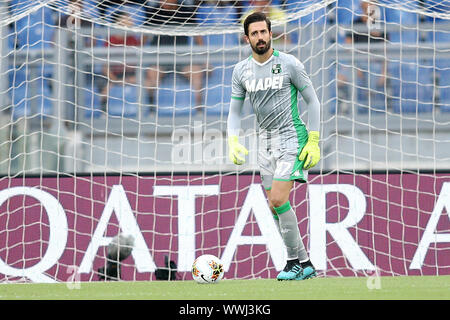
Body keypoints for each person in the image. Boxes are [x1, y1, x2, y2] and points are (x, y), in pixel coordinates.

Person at [227, 12, 320, 280]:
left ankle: (292, 263)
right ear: (247, 38)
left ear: (271, 33)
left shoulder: (289, 64)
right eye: (254, 33)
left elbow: (312, 101)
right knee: (273, 205)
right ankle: (305, 264)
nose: (260, 37)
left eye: (263, 32)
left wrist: (313, 140)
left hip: (292, 137)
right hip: (264, 141)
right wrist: (233, 140)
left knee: (278, 199)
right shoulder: (240, 71)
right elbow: (235, 111)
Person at [145, 0, 205, 109]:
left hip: (182, 57)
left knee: (196, 72)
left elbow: (198, 36)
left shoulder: (185, 11)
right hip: (160, 58)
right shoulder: (154, 12)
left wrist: (205, 60)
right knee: (152, 73)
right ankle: (152, 109)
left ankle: (199, 109)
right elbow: (144, 38)